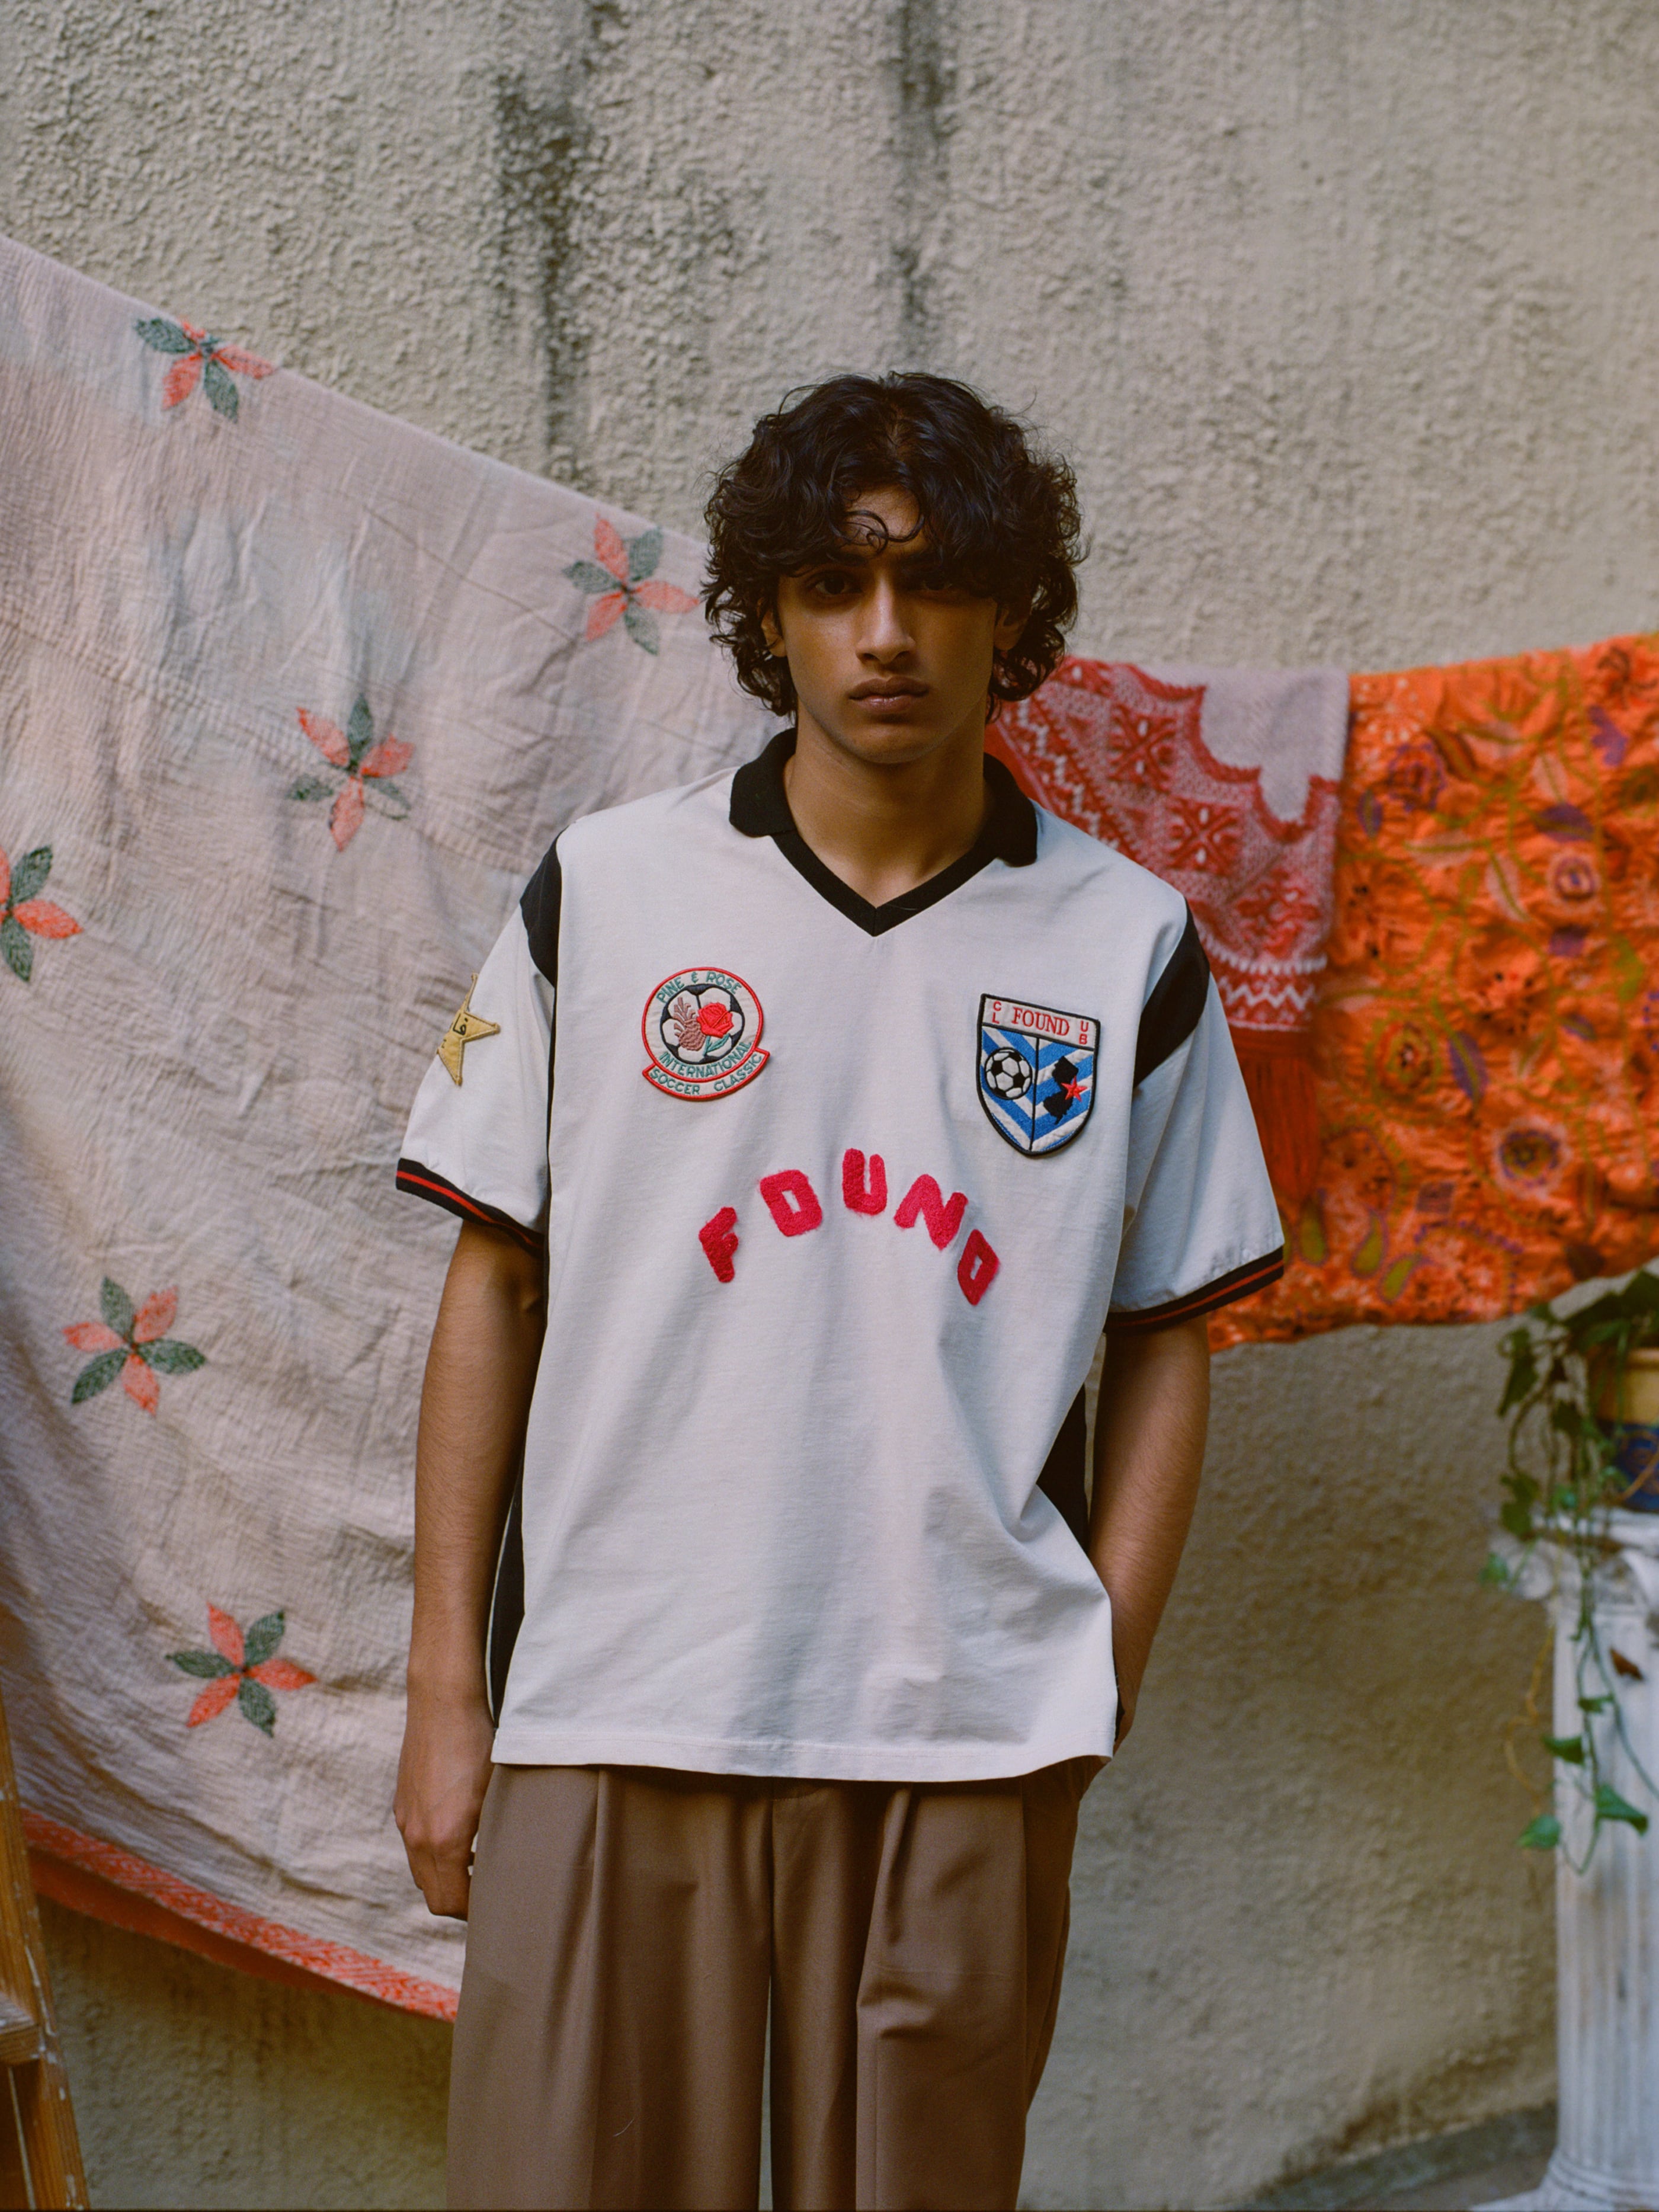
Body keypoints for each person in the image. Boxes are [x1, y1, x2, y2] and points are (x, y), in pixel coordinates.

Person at [393, 372, 1283, 2211]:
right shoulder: (612, 894)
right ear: (770, 614)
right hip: (616, 1696)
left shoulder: (1122, 945)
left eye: (937, 580)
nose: (886, 633)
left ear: (1010, 614)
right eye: (834, 580)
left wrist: (1086, 1678)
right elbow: (495, 1283)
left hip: (957, 1730)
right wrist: (439, 1694)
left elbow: (1167, 1338)